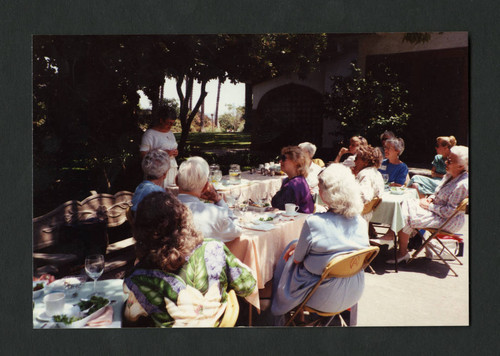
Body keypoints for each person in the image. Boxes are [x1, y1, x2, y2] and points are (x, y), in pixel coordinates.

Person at [122, 191, 256, 327]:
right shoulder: (214, 249)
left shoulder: (138, 279)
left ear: (140, 232)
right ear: (184, 219)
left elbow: (130, 319)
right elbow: (249, 286)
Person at [270, 164, 370, 325]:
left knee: (286, 256)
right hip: (354, 291)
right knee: (296, 247)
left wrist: (299, 248)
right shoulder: (360, 221)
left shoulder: (314, 222)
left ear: (325, 195)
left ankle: (277, 314)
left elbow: (296, 260)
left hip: (321, 296)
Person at [385, 146, 468, 264]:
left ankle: (400, 248)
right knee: (405, 203)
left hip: (449, 220)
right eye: (447, 159)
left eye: (450, 161)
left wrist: (428, 206)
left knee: (407, 214)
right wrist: (431, 198)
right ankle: (397, 240)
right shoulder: (450, 175)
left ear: (460, 166)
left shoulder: (462, 185)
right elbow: (438, 192)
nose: (445, 162)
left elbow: (450, 212)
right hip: (437, 211)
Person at [176, 156, 241, 242]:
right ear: (206, 186)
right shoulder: (216, 214)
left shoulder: (161, 208)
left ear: (176, 180)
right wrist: (218, 200)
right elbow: (237, 231)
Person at [139, 105, 178, 187]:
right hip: (157, 173)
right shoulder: (150, 134)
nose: (170, 126)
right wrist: (162, 154)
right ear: (161, 120)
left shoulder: (170, 133)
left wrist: (174, 152)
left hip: (171, 169)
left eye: (172, 123)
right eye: (168, 123)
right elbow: (143, 155)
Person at [271, 146, 315, 214]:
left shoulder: (294, 184)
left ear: (296, 162)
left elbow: (276, 203)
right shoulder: (297, 180)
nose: (280, 161)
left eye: (284, 159)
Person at [352, 145, 385, 222]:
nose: (354, 161)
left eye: (357, 159)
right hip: (368, 213)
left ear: (366, 162)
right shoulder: (376, 173)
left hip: (358, 215)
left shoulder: (365, 174)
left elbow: (365, 196)